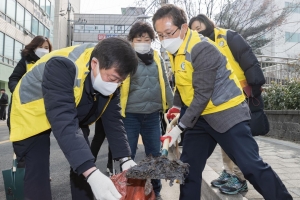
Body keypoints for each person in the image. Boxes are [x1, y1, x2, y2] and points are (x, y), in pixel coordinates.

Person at [153, 4, 292, 200]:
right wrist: (176, 106)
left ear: (184, 28)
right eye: (159, 35)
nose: (164, 40)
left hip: (227, 113)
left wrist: (180, 127)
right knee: (187, 169)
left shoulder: (202, 48)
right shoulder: (175, 49)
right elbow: (182, 82)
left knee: (250, 165)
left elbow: (202, 94)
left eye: (168, 33)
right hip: (199, 117)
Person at [9, 37, 138, 200]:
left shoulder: (111, 73)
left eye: (120, 82)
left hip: (72, 111)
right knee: (37, 173)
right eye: (112, 79)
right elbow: (63, 120)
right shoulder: (62, 65)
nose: (115, 85)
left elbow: (113, 120)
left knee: (85, 161)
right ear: (95, 64)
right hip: (30, 114)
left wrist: (125, 159)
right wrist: (91, 173)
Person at [188, 14, 269, 194]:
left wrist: (255, 86)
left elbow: (248, 59)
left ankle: (240, 177)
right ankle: (229, 171)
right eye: (192, 29)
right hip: (220, 98)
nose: (196, 31)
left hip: (241, 93)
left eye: (198, 27)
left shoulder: (227, 36)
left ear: (208, 23)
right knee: (225, 137)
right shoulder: (198, 47)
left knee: (239, 142)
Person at [120, 21, 174, 200]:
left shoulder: (157, 56)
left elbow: (164, 82)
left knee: (155, 155)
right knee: (129, 155)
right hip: (130, 115)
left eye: (147, 38)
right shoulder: (125, 57)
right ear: (131, 40)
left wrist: (171, 108)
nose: (143, 41)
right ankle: (129, 193)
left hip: (152, 114)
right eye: (139, 38)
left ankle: (156, 192)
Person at [8, 36, 52, 169]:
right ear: (33, 47)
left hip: (41, 114)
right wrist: (21, 94)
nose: (44, 50)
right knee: (23, 145)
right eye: (41, 47)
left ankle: (41, 174)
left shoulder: (51, 64)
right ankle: (23, 173)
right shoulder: (25, 62)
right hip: (22, 112)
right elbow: (13, 80)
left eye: (46, 48)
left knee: (41, 146)